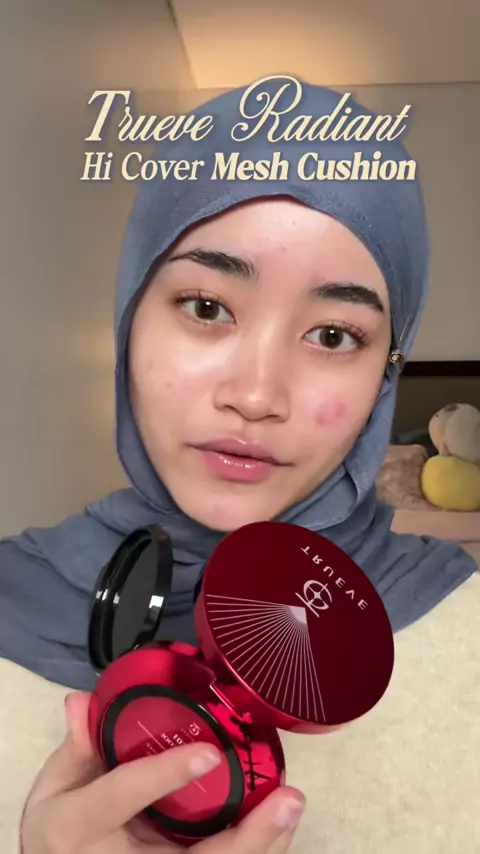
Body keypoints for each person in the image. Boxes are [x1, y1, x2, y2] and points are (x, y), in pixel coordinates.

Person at [2, 77, 477, 853]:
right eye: (206, 307)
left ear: (385, 374)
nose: (256, 396)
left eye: (333, 335)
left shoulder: (467, 629)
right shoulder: (11, 599)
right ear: (130, 317)